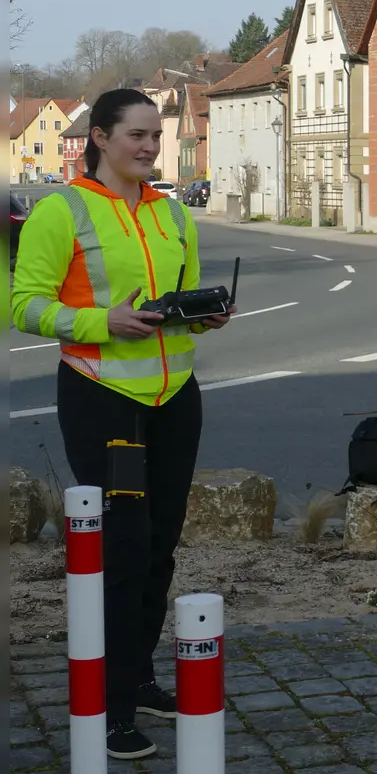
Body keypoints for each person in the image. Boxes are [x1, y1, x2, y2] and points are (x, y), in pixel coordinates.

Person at [10, 88, 236, 760]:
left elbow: (175, 297)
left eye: (156, 137)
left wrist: (202, 313)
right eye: (136, 135)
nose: (148, 147)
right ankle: (109, 707)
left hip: (175, 396)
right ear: (100, 138)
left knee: (161, 544)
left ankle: (138, 678)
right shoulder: (62, 211)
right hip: (102, 395)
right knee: (123, 549)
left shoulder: (172, 215)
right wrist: (96, 322)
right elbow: (24, 306)